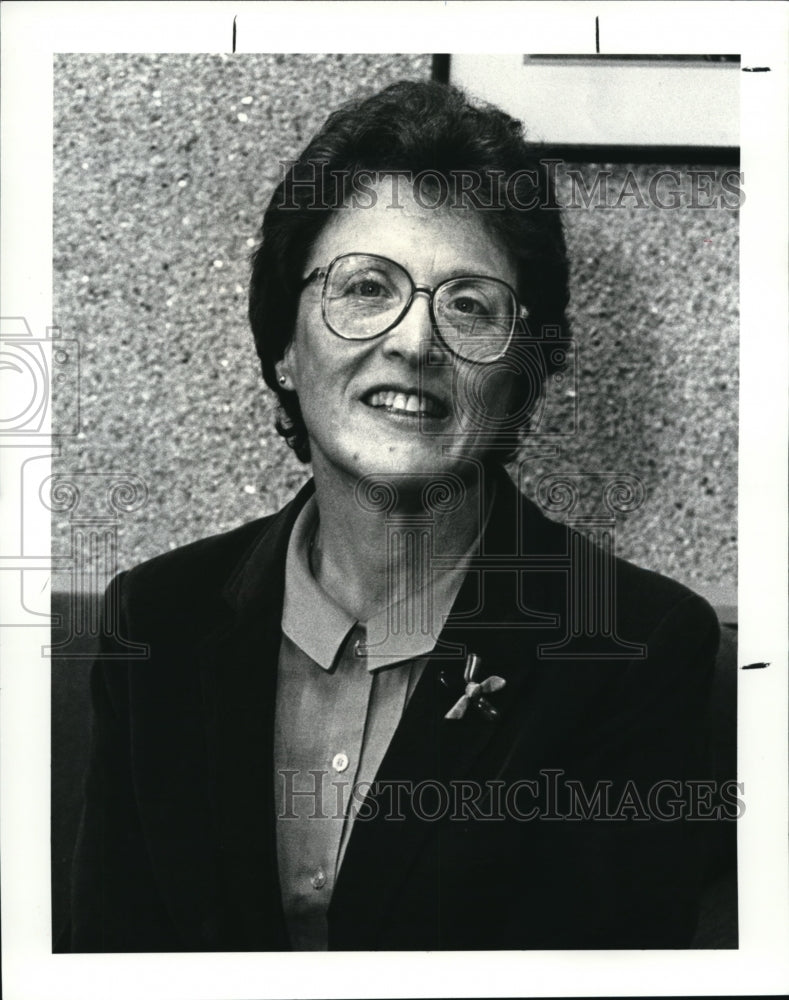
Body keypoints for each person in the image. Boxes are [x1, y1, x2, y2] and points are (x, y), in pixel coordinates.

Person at [69, 80, 721, 952]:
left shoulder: (632, 649)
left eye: (468, 305)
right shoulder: (153, 620)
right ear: (284, 347)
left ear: (518, 373)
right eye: (367, 287)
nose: (415, 342)